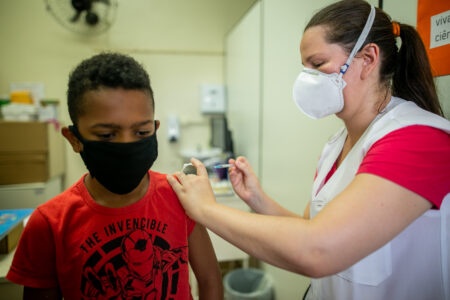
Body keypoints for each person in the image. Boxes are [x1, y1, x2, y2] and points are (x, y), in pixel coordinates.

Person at [167, 1, 450, 299]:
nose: (308, 79)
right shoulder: (336, 144)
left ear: (367, 59)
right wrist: (258, 199)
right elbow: (311, 227)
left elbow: (317, 249)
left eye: (317, 64)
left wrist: (205, 210)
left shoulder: (419, 140)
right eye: (305, 68)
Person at [7, 52, 223, 300]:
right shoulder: (48, 224)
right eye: (107, 135)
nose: (127, 145)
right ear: (75, 139)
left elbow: (210, 280)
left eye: (142, 131)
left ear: (155, 129)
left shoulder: (180, 197)